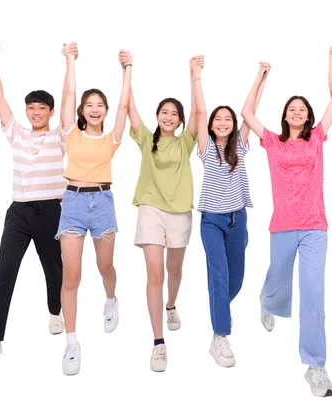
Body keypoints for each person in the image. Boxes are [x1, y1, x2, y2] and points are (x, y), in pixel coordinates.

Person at [241, 37, 332, 397]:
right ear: (285, 115)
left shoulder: (318, 137)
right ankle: (268, 302)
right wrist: (262, 76)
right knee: (278, 280)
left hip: (316, 226)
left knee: (313, 293)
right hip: (283, 225)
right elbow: (247, 114)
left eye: (303, 109)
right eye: (293, 109)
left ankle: (315, 365)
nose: (298, 113)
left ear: (309, 116)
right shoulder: (272, 141)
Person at [0, 39, 72, 370]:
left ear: (50, 112)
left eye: (42, 108)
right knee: (4, 274)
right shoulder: (16, 133)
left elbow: (71, 100)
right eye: (31, 108)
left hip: (52, 210)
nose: (35, 112)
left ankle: (55, 310)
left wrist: (69, 62)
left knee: (55, 269)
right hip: (19, 212)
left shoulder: (60, 136)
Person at [56, 42, 132, 375]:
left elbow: (125, 105)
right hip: (72, 201)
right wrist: (71, 60)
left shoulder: (111, 138)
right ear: (82, 111)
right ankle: (72, 342)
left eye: (100, 104)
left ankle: (111, 299)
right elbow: (69, 93)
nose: (95, 109)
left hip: (102, 202)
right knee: (71, 275)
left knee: (105, 267)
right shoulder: (71, 132)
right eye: (90, 105)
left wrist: (127, 70)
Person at [190, 55, 265, 367]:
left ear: (233, 125)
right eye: (217, 120)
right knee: (219, 276)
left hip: (239, 219)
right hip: (212, 221)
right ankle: (220, 336)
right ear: (210, 126)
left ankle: (221, 311)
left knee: (236, 280)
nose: (222, 122)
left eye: (227, 120)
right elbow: (200, 110)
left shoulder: (240, 146)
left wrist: (261, 77)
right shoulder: (206, 147)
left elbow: (251, 112)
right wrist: (195, 75)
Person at [127, 58, 199, 372]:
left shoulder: (185, 143)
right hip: (150, 210)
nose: (168, 117)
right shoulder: (146, 139)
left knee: (175, 270)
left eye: (174, 114)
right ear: (158, 116)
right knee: (155, 274)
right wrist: (127, 70)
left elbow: (200, 113)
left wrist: (193, 75)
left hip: (180, 211)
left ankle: (171, 305)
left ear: (179, 120)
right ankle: (158, 342)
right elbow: (128, 107)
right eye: (164, 112)